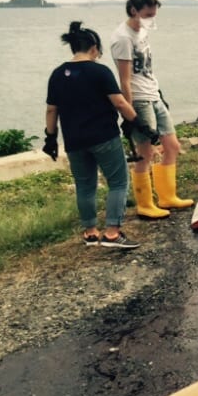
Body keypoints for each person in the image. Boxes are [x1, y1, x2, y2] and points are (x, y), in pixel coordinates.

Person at [44, 22, 158, 249]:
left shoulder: (57, 74)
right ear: (94, 48)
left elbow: (51, 110)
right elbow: (119, 103)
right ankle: (113, 234)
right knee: (118, 182)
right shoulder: (100, 71)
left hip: (74, 141)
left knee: (85, 186)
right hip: (104, 136)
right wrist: (140, 125)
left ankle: (90, 233)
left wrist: (50, 139)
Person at [110, 0, 193, 219]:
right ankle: (145, 204)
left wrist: (160, 93)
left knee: (172, 146)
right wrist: (129, 114)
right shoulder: (122, 38)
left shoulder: (141, 32)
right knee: (145, 153)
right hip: (139, 100)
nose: (150, 19)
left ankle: (167, 196)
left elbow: (146, 69)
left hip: (154, 94)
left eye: (153, 15)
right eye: (147, 15)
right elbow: (125, 80)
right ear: (134, 11)